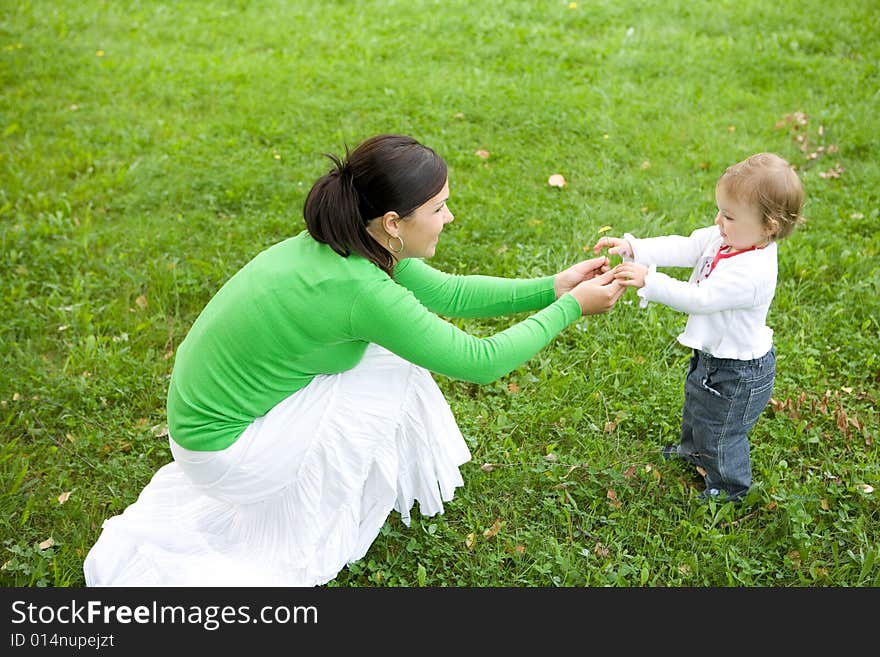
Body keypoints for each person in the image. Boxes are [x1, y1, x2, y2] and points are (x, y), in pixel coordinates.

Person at [84, 133, 626, 586]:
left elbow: (452, 294)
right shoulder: (362, 289)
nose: (450, 216)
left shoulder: (346, 241)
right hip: (223, 454)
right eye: (438, 208)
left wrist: (553, 286)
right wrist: (570, 309)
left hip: (201, 433)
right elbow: (479, 361)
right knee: (397, 365)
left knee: (392, 359)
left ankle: (358, 487)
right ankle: (332, 505)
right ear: (394, 221)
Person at [594, 152, 804, 503]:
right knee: (698, 406)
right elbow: (688, 245)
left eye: (730, 216)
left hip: (739, 371)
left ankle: (730, 489)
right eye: (720, 211)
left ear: (769, 226)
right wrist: (637, 248)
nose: (720, 222)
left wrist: (651, 281)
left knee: (721, 430)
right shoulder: (730, 237)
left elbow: (700, 299)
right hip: (714, 355)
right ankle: (692, 452)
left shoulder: (752, 271)